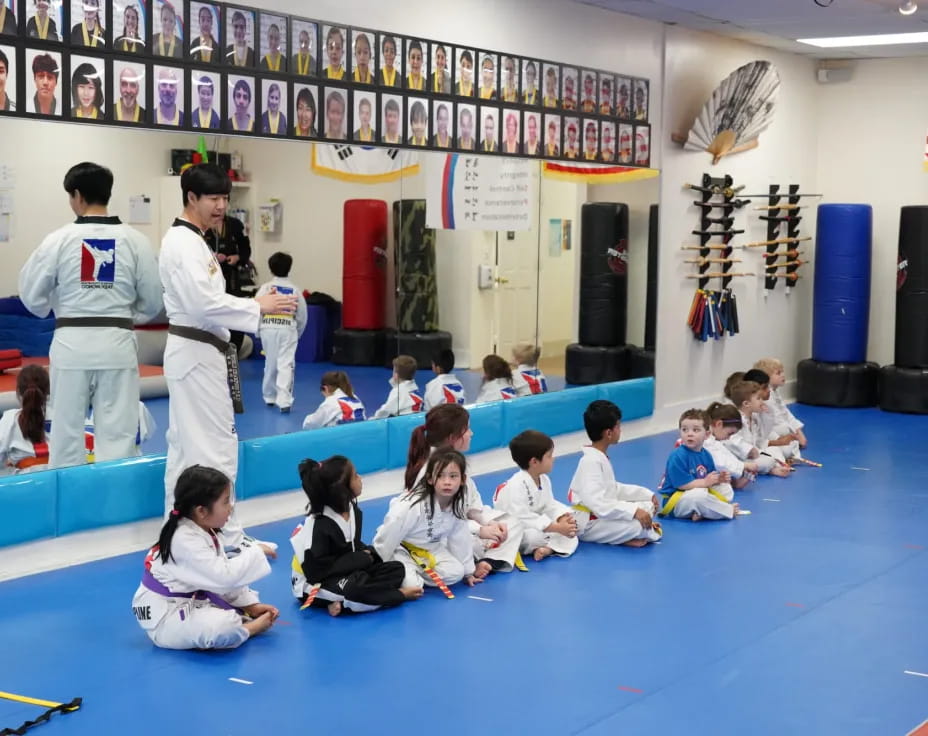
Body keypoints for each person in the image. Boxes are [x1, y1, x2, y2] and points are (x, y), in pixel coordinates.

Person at [159, 164, 296, 546]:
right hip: (197, 353)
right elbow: (204, 305)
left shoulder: (194, 240)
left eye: (225, 199)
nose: (221, 206)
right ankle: (227, 537)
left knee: (186, 447)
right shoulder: (184, 243)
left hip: (201, 353)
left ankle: (187, 533)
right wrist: (258, 305)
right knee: (213, 448)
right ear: (191, 198)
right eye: (213, 199)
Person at [19, 162, 162, 468]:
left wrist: (54, 306)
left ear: (78, 196)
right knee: (118, 432)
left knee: (66, 431)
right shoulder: (136, 241)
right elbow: (152, 302)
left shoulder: (57, 240)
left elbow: (32, 296)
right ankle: (114, 505)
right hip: (117, 343)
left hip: (71, 345)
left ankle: (69, 504)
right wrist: (124, 314)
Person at [131, 466, 277, 650]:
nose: (230, 508)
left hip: (188, 602)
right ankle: (249, 629)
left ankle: (242, 621)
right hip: (165, 616)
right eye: (225, 502)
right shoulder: (183, 539)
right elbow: (223, 578)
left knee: (228, 603)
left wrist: (251, 605)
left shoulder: (202, 531)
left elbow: (218, 578)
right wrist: (256, 550)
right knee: (222, 627)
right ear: (201, 511)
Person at [291, 457, 422, 616]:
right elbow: (316, 573)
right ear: (341, 489)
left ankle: (353, 601)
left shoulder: (352, 509)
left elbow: (352, 546)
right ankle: (391, 597)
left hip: (347, 572)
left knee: (396, 569)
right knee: (355, 587)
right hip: (315, 583)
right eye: (355, 476)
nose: (360, 478)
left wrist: (369, 555)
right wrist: (360, 559)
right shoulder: (319, 526)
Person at [403, 404, 524, 576]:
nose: (471, 433)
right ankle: (477, 559)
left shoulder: (454, 461)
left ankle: (489, 560)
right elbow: (443, 521)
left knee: (512, 523)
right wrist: (479, 530)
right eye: (467, 429)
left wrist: (487, 522)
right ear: (453, 437)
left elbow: (470, 504)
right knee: (458, 558)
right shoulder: (432, 470)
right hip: (435, 536)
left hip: (461, 527)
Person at [373, 449, 481, 590]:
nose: (447, 482)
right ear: (430, 479)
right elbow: (388, 537)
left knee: (456, 572)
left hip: (431, 549)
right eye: (440, 476)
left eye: (453, 476)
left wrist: (469, 573)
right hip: (401, 549)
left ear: (463, 480)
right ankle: (409, 573)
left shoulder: (458, 504)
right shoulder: (412, 505)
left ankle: (414, 573)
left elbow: (460, 537)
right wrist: (384, 565)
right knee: (413, 586)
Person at [566, 400, 662, 546]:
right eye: (618, 426)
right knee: (638, 525)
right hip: (588, 523)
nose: (620, 430)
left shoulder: (599, 457)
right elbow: (599, 505)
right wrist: (634, 511)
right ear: (609, 433)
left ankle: (624, 534)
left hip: (601, 515)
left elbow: (614, 489)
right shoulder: (590, 462)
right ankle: (624, 538)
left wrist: (647, 494)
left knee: (648, 505)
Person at [494, 430, 579, 561]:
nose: (553, 459)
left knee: (571, 532)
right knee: (533, 537)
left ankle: (548, 549)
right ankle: (547, 545)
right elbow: (522, 517)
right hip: (517, 529)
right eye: (549, 456)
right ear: (534, 462)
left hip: (539, 525)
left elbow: (549, 505)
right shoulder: (515, 486)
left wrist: (562, 518)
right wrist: (556, 527)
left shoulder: (544, 479)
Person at [658, 409, 740, 521]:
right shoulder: (677, 456)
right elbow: (682, 485)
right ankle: (726, 511)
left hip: (699, 491)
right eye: (684, 430)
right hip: (678, 500)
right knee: (698, 497)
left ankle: (701, 512)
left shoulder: (706, 455)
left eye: (696, 430)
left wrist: (719, 479)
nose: (689, 434)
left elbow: (710, 478)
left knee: (726, 489)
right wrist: (705, 482)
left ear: (706, 435)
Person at [256, 252, 306, 413]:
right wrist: (297, 332)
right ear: (289, 268)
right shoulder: (294, 290)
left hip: (268, 328)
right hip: (287, 329)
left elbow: (257, 309)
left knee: (270, 362)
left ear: (270, 269)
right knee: (286, 363)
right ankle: (284, 401)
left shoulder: (265, 288)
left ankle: (269, 396)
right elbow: (302, 315)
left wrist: (257, 330)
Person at [204, 213, 251, 351]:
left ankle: (234, 352)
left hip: (232, 278)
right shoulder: (203, 225)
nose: (220, 205)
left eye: (224, 200)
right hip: (211, 280)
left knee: (235, 316)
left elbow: (246, 250)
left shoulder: (235, 225)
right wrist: (212, 257)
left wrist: (238, 257)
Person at [727, 379, 790, 477]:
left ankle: (777, 466)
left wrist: (767, 413)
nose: (762, 401)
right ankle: (772, 469)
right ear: (746, 404)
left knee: (777, 450)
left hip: (755, 453)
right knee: (768, 461)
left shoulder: (754, 417)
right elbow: (732, 441)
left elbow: (763, 435)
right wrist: (749, 450)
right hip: (740, 457)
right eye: (758, 398)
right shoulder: (736, 420)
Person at [0, 365, 51, 474]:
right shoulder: (62, 416)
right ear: (49, 390)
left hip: (25, 482)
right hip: (61, 476)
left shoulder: (10, 418)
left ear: (18, 391)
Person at [743, 368, 801, 460]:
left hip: (764, 444)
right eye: (765, 387)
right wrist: (778, 442)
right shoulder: (747, 411)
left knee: (789, 446)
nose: (769, 390)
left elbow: (764, 434)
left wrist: (779, 440)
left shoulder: (762, 407)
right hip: (752, 452)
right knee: (773, 456)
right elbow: (755, 443)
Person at [754, 357, 808, 449]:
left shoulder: (775, 392)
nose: (783, 375)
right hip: (771, 431)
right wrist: (782, 439)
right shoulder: (766, 396)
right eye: (778, 373)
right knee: (786, 440)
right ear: (766, 377)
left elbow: (785, 413)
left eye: (782, 372)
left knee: (788, 434)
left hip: (779, 429)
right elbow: (775, 420)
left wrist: (799, 432)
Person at [704, 401, 758, 492]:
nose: (729, 437)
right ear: (719, 424)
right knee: (725, 489)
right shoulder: (705, 439)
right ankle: (734, 482)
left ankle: (735, 481)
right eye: (730, 433)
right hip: (694, 475)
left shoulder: (713, 439)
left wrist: (742, 467)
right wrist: (743, 465)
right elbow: (718, 462)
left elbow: (724, 455)